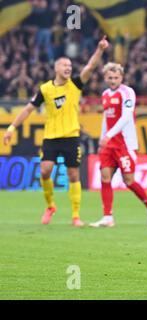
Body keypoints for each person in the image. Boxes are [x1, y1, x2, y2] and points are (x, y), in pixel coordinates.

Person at [3, 36, 109, 227]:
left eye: (69, 65)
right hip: (51, 137)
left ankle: (76, 216)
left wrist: (100, 50)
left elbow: (90, 68)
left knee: (73, 176)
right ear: (56, 69)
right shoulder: (45, 89)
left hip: (71, 137)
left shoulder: (75, 85)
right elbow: (28, 109)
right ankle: (50, 206)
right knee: (45, 170)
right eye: (64, 65)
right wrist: (11, 128)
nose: (68, 68)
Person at [89, 63, 147, 228]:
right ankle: (107, 217)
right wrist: (102, 139)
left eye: (116, 78)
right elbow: (106, 118)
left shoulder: (127, 92)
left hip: (125, 144)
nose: (113, 81)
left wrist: (109, 135)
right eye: (110, 78)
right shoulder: (105, 94)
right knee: (105, 177)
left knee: (129, 181)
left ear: (121, 77)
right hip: (108, 144)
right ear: (105, 78)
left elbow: (126, 116)